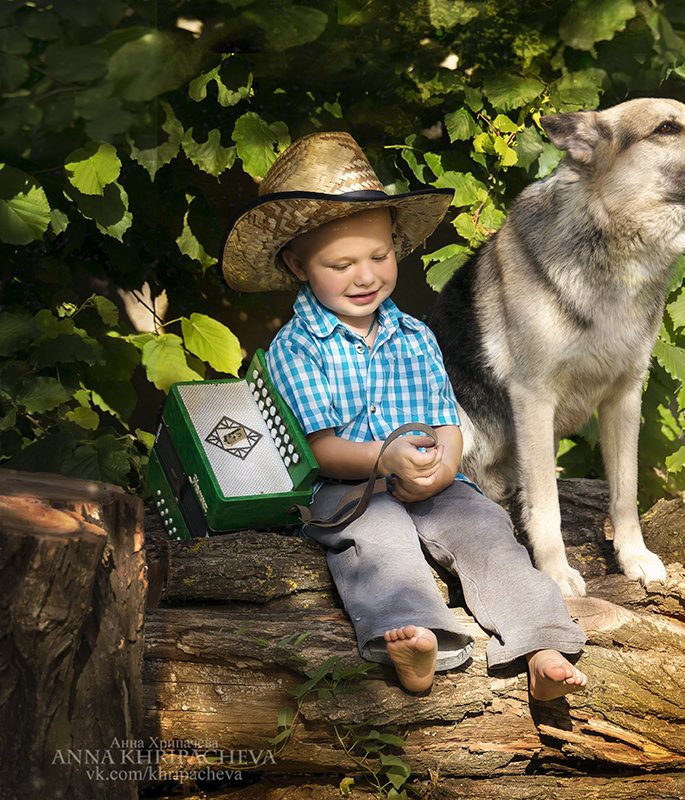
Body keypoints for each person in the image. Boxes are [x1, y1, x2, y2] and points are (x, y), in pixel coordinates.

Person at [221, 131, 588, 697]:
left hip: (429, 477)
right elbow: (322, 449)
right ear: (298, 265)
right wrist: (385, 460)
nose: (365, 276)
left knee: (488, 531)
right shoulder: (296, 347)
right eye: (341, 264)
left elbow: (445, 416)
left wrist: (446, 464)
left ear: (396, 247)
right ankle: (418, 638)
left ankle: (542, 642)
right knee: (377, 542)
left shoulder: (414, 334)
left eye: (378, 256)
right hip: (348, 486)